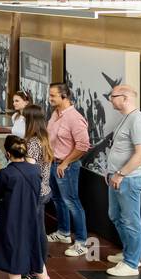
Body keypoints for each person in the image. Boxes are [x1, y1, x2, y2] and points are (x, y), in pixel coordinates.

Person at [0, 135, 54, 279]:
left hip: (11, 219)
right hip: (32, 218)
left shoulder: (6, 173)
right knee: (36, 254)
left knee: (13, 254)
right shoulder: (34, 171)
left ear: (8, 153)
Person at [103, 85, 141, 277]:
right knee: (115, 215)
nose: (110, 99)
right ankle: (128, 252)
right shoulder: (127, 118)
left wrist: (121, 174)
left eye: (112, 96)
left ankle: (132, 263)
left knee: (131, 221)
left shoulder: (138, 121)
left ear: (125, 98)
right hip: (117, 178)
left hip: (128, 180)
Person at [47, 82, 91, 257]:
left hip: (67, 167)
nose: (49, 98)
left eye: (53, 96)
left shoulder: (75, 118)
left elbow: (83, 145)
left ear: (64, 97)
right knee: (58, 199)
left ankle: (82, 242)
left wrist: (65, 163)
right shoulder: (55, 114)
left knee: (72, 202)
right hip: (53, 163)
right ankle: (63, 232)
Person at [19, 103, 54, 279]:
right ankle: (39, 269)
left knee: (33, 232)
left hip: (34, 193)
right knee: (40, 231)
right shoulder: (45, 138)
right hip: (45, 189)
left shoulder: (32, 142)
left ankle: (35, 272)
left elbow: (29, 170)